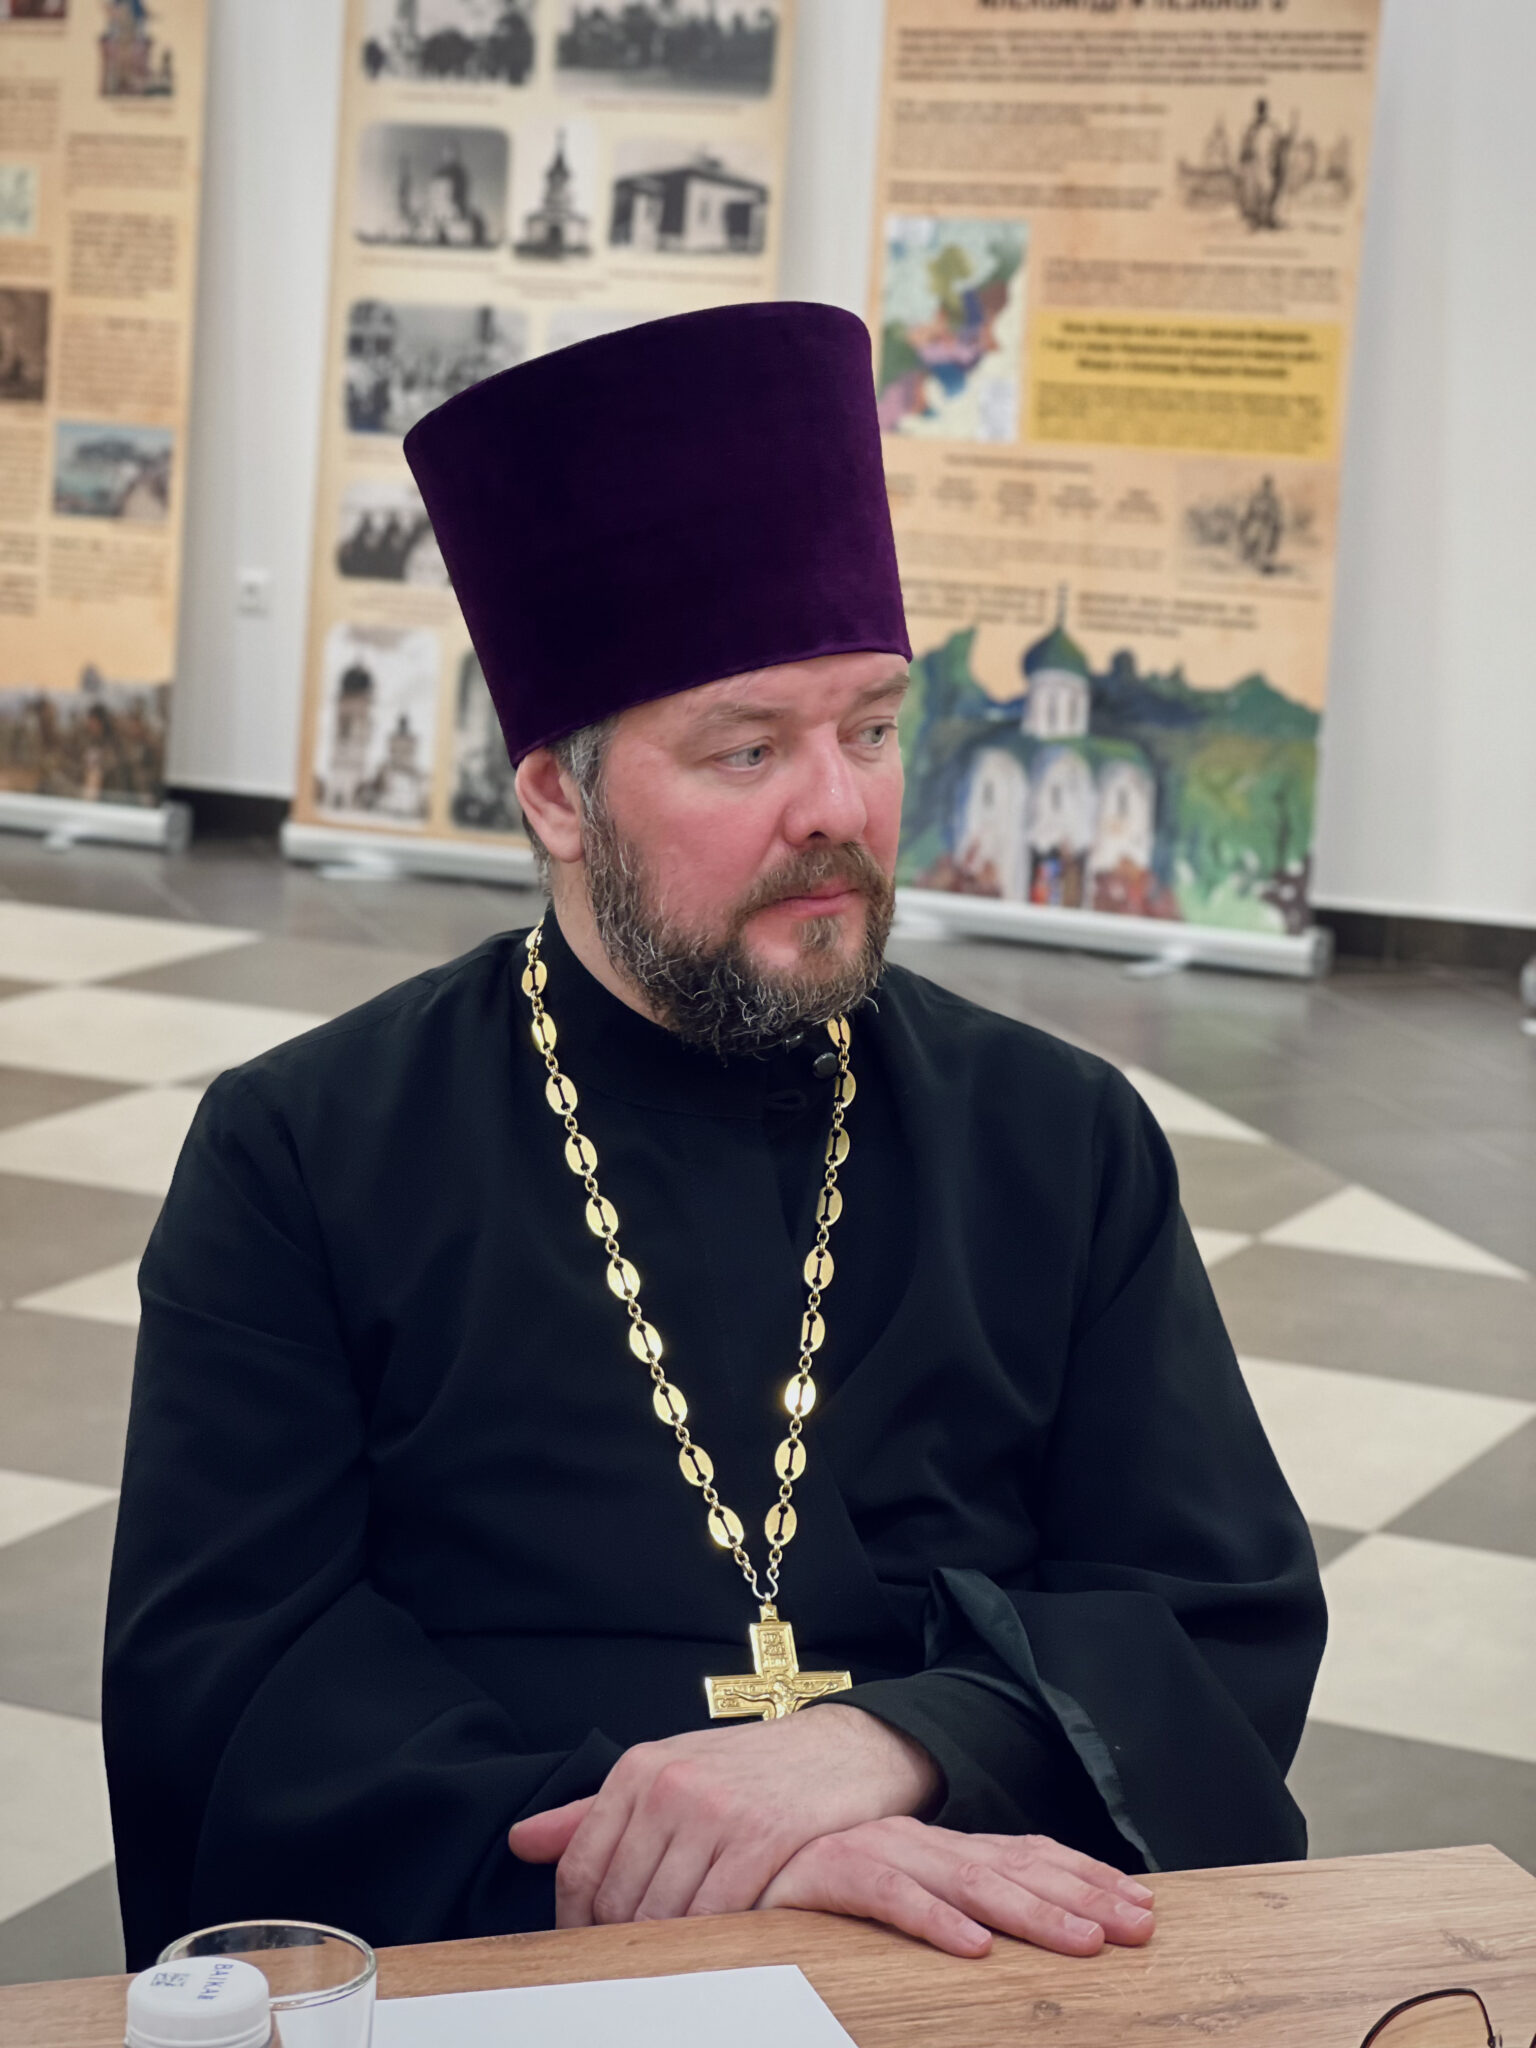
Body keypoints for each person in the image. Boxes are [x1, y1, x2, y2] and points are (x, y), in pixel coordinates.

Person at [104, 303, 1324, 1972]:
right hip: (520, 1955)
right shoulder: (302, 1154)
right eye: (747, 749)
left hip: (978, 1951)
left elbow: (1216, 1614)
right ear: (557, 796)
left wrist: (894, 1744)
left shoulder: (1059, 1137)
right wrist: (689, 1855)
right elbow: (238, 1686)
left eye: (872, 728)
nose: (837, 806)